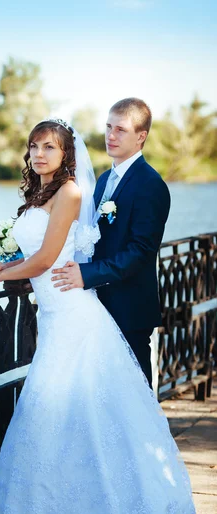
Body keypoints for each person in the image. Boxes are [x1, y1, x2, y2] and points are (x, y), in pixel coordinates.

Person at [0, 117, 195, 514]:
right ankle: (55, 510)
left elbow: (45, 261)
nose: (40, 154)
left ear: (66, 154)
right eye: (35, 146)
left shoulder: (72, 191)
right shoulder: (44, 192)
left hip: (72, 310)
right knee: (61, 408)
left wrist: (9, 276)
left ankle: (105, 512)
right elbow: (34, 251)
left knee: (67, 405)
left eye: (50, 147)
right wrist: (3, 260)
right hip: (56, 312)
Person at [51, 98, 170, 386]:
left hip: (129, 309)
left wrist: (86, 275)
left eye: (121, 130)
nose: (110, 136)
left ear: (141, 136)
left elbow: (141, 251)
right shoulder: (104, 180)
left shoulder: (151, 185)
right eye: (108, 127)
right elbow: (85, 231)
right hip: (95, 307)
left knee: (135, 394)